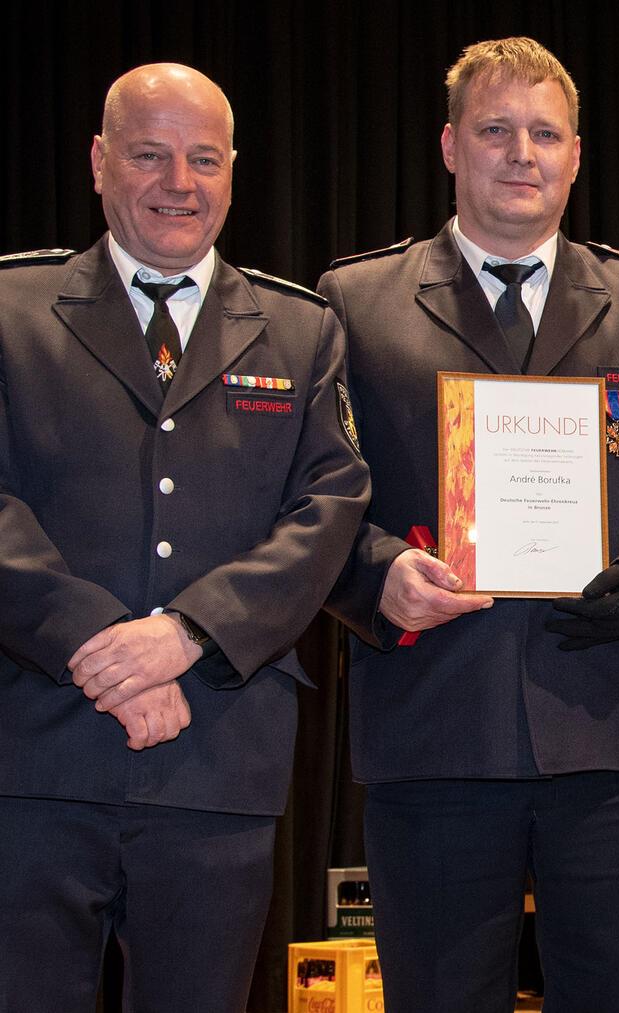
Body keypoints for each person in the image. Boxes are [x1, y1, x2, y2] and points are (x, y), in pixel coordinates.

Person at [320, 37, 619, 1012]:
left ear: (577, 155)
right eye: (496, 130)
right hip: (435, 720)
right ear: (449, 146)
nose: (523, 153)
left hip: (609, 728)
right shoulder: (357, 299)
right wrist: (373, 571)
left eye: (545, 133)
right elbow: (314, 492)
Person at [0, 64, 369, 1011]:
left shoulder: (299, 328)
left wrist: (188, 634)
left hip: (219, 753)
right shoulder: (11, 309)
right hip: (36, 751)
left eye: (204, 159)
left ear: (234, 171)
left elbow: (330, 502)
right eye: (150, 155)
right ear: (97, 162)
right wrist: (91, 639)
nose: (180, 182)